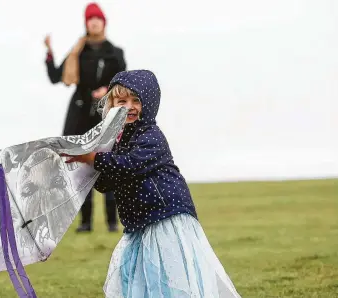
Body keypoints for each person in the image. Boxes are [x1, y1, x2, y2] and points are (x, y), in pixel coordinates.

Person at [63, 70, 242, 297]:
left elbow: (131, 164)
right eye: (121, 101)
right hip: (139, 221)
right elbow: (107, 182)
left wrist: (96, 159)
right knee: (137, 276)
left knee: (166, 274)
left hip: (164, 216)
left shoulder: (150, 135)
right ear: (111, 106)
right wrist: (89, 165)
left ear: (149, 103)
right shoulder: (117, 140)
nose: (129, 106)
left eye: (136, 100)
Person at [43, 2, 126, 232]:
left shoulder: (115, 53)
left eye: (97, 18)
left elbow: (123, 81)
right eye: (90, 19)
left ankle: (112, 223)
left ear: (104, 22)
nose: (94, 22)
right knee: (81, 169)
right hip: (80, 115)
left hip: (105, 116)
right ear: (86, 23)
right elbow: (55, 77)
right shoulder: (77, 51)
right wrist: (49, 53)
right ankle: (86, 223)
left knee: (109, 166)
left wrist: (107, 91)